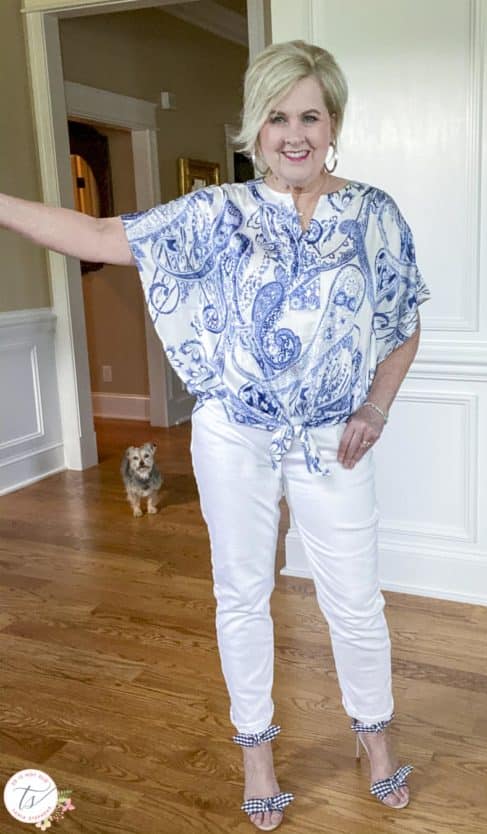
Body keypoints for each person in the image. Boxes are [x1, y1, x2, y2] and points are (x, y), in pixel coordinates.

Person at [1, 39, 430, 832]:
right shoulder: (216, 214)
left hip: (335, 439)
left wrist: (376, 407)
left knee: (356, 604)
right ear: (255, 129)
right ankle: (257, 753)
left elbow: (403, 326)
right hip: (234, 434)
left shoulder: (374, 214)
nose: (293, 133)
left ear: (333, 122)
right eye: (277, 117)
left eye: (310, 114)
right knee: (243, 595)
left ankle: (374, 739)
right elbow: (97, 237)